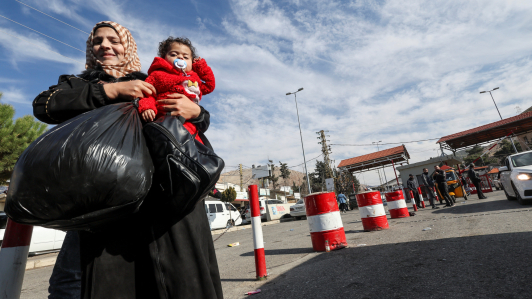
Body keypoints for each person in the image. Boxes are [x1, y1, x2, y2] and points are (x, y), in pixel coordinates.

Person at [33, 21, 222, 299]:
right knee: (71, 284)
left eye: (114, 40)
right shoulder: (79, 83)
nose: (105, 45)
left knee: (153, 279)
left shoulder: (150, 79)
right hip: (94, 205)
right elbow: (44, 105)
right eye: (98, 41)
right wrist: (111, 92)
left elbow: (182, 115)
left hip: (147, 198)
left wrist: (198, 113)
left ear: (127, 46)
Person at [138, 37, 215, 143]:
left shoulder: (194, 78)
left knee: (194, 149)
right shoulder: (157, 75)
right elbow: (147, 93)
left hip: (191, 125)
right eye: (174, 54)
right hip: (164, 121)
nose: (180, 57)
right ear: (164, 58)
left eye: (186, 57)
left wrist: (201, 66)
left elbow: (209, 86)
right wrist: (147, 108)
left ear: (192, 62)